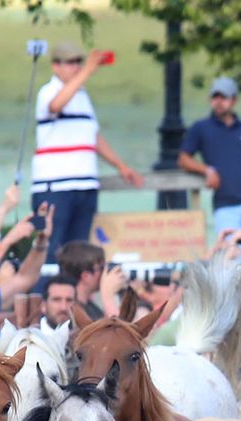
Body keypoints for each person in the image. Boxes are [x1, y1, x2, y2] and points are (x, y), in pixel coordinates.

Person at [31, 40, 143, 258]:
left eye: (79, 62)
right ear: (56, 66)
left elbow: (93, 136)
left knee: (78, 251)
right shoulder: (48, 91)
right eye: (70, 63)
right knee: (49, 246)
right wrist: (88, 71)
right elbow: (56, 105)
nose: (76, 67)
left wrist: (121, 166)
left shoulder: (82, 96)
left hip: (84, 183)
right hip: (54, 185)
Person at [179, 77, 241, 260]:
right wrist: (207, 170)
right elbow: (183, 158)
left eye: (224, 97)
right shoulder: (201, 128)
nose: (219, 102)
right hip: (225, 206)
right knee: (231, 255)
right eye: (215, 97)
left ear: (234, 100)